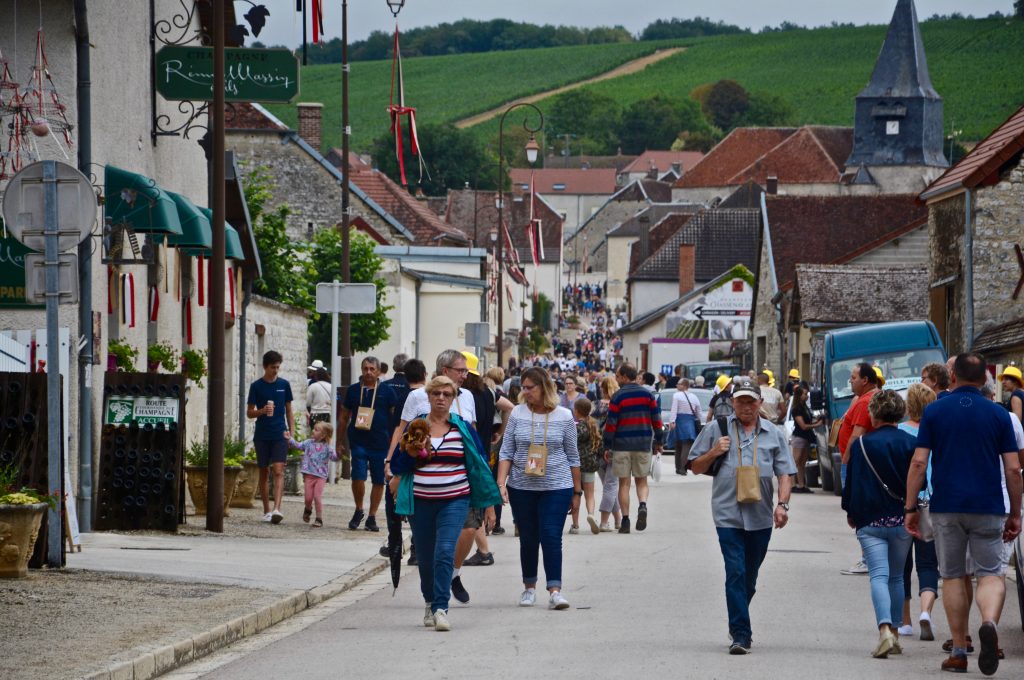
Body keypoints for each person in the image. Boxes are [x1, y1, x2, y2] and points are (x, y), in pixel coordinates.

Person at [905, 353, 1023, 675]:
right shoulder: (999, 415)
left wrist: (910, 507)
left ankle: (958, 650)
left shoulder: (934, 411)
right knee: (990, 573)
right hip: (988, 506)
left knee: (954, 575)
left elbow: (918, 463)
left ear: (953, 376)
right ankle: (988, 623)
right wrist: (1016, 512)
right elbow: (1013, 469)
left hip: (947, 506)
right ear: (986, 379)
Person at [688, 377, 795, 654]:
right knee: (735, 572)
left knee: (749, 578)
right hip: (727, 514)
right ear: (732, 403)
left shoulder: (773, 433)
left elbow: (785, 473)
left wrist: (782, 505)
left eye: (751, 401)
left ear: (760, 403)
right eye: (740, 401)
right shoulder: (717, 428)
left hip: (760, 516)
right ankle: (741, 634)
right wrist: (714, 451)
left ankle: (738, 617)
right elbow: (695, 467)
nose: (746, 406)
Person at [388, 376, 500, 632]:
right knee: (426, 557)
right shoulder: (416, 427)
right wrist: (410, 454)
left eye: (446, 394)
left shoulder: (462, 428)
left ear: (453, 398)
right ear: (428, 396)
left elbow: (480, 463)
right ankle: (429, 600)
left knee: (445, 551)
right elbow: (397, 465)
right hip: (421, 501)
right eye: (436, 393)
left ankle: (441, 608)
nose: (441, 398)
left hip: (455, 499)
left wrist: (489, 503)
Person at [387, 350, 478, 602]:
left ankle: (450, 581)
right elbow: (401, 431)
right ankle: (433, 594)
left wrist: (488, 490)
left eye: (446, 394)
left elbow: (474, 443)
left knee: (461, 536)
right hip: (422, 492)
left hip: (457, 490)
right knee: (428, 554)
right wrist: (393, 466)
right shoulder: (416, 398)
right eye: (460, 370)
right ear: (445, 370)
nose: (465, 375)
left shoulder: (467, 397)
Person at [497, 367, 581, 610]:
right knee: (529, 537)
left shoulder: (564, 416)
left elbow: (573, 456)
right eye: (523, 387)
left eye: (530, 387)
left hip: (557, 485)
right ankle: (529, 587)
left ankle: (555, 590)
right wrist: (501, 483)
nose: (525, 392)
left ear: (544, 387)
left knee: (551, 535)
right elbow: (506, 451)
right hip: (522, 486)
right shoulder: (517, 414)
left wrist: (577, 492)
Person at [841, 390, 916, 659]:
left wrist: (849, 509)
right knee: (897, 577)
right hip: (902, 519)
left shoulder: (861, 444)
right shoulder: (910, 443)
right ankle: (895, 632)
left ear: (873, 413)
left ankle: (884, 628)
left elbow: (852, 481)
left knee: (879, 576)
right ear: (900, 412)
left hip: (870, 519)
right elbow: (920, 481)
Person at [461, 352, 515, 567]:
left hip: (470, 453)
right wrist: (499, 431)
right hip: (485, 450)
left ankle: (483, 551)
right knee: (477, 499)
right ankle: (483, 549)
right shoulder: (489, 393)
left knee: (472, 503)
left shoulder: (464, 395)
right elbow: (509, 407)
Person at [897, 383, 939, 642]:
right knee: (928, 563)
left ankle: (905, 620)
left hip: (905, 503)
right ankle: (926, 611)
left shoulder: (899, 433)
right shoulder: (938, 434)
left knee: (902, 564)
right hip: (931, 502)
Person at [338, 356, 398, 532]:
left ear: (378, 371)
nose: (369, 372)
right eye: (365, 369)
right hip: (358, 440)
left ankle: (372, 516)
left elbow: (395, 418)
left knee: (379, 479)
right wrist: (339, 441)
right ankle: (358, 509)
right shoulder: (354, 390)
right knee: (358, 476)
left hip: (380, 442)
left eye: (372, 369)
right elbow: (344, 416)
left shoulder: (387, 391)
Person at [603, 363, 663, 534]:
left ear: (624, 376)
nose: (616, 378)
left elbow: (611, 424)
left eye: (617, 375)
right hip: (643, 444)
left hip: (622, 445)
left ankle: (626, 521)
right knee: (641, 480)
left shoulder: (617, 397)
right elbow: (656, 419)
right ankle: (642, 505)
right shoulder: (648, 395)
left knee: (624, 483)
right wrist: (659, 441)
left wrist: (607, 446)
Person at [838, 363, 882, 575]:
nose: (850, 380)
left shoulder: (866, 401)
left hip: (856, 464)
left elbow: (856, 436)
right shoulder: (864, 399)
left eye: (854, 377)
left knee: (857, 509)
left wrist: (846, 461)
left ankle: (867, 559)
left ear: (865, 380)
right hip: (858, 464)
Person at [246, 351, 295, 524]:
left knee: (279, 470)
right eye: (273, 367)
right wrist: (261, 411)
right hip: (262, 434)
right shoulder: (256, 386)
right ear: (265, 367)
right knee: (264, 471)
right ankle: (266, 510)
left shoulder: (284, 385)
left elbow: (289, 410)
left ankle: (277, 509)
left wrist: (291, 433)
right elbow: (249, 412)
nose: (276, 370)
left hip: (280, 433)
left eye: (277, 367)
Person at [286, 421, 337, 528]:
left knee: (317, 497)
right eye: (314, 428)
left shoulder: (328, 447)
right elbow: (298, 446)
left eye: (316, 429)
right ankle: (308, 509)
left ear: (323, 435)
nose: (313, 430)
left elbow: (334, 458)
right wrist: (289, 439)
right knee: (308, 498)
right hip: (309, 475)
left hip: (321, 476)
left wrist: (340, 454)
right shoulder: (308, 443)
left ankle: (319, 518)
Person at [570, 397, 602, 534]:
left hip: (575, 466)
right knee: (590, 494)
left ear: (576, 411)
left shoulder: (576, 428)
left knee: (576, 494)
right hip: (590, 464)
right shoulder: (594, 425)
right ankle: (591, 515)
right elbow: (600, 446)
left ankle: (575, 525)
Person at [594, 375, 622, 532]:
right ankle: (604, 522)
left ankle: (617, 519)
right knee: (611, 486)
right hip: (613, 448)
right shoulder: (617, 406)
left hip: (597, 450)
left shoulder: (595, 406)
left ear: (602, 388)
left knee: (608, 486)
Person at [789, 385, 821, 493]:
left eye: (807, 394)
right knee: (796, 460)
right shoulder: (796, 409)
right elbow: (803, 426)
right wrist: (816, 425)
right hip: (799, 436)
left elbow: (808, 422)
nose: (807, 396)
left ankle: (801, 485)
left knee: (802, 463)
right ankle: (793, 484)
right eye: (804, 394)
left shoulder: (805, 408)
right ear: (799, 395)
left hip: (806, 437)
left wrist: (816, 422)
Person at [668, 378, 703, 476]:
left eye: (678, 384)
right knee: (686, 446)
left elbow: (674, 409)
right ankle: (683, 468)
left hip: (679, 422)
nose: (677, 386)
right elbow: (698, 412)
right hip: (690, 423)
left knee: (678, 446)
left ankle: (678, 468)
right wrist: (699, 422)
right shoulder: (694, 397)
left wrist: (672, 421)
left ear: (684, 385)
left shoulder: (677, 395)